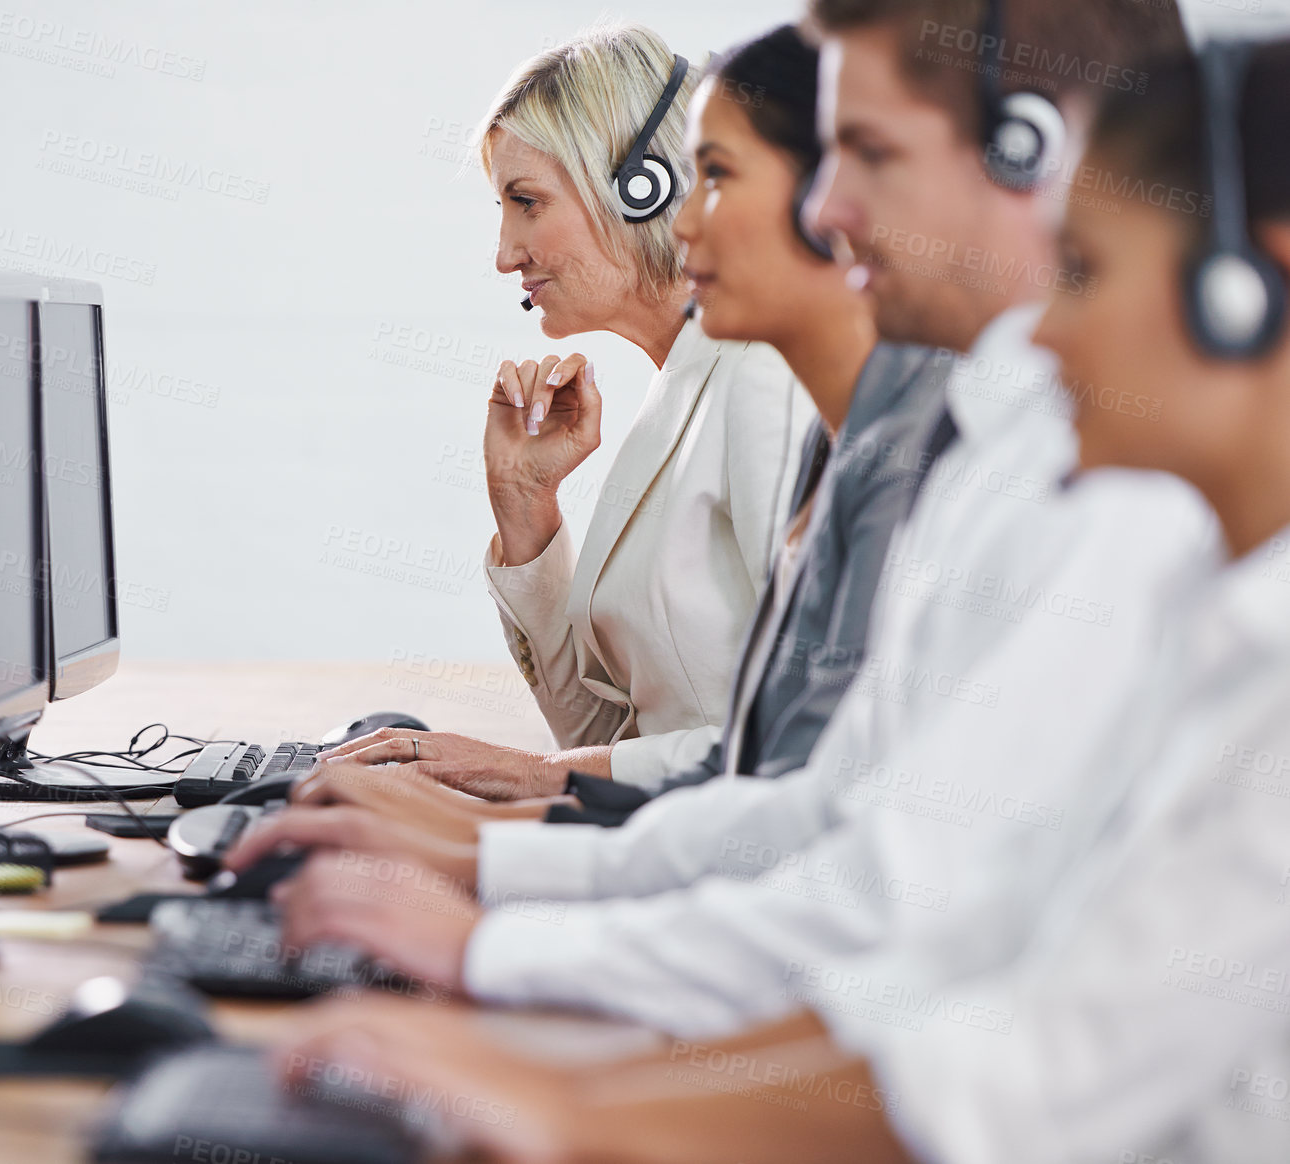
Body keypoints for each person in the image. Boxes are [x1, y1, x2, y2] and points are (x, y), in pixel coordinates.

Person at [265, 32, 1290, 1164]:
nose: (831, 209)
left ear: (1247, 292)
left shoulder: (1097, 523)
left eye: (1085, 267)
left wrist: (528, 1001)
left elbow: (994, 1027)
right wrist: (498, 879)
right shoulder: (1056, 499)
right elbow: (830, 828)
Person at [299, 28, 953, 838]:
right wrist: (527, 506)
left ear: (640, 186)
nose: (505, 254)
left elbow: (800, 752)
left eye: (527, 201)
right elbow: (610, 749)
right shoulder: (684, 385)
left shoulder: (768, 379)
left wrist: (512, 788)